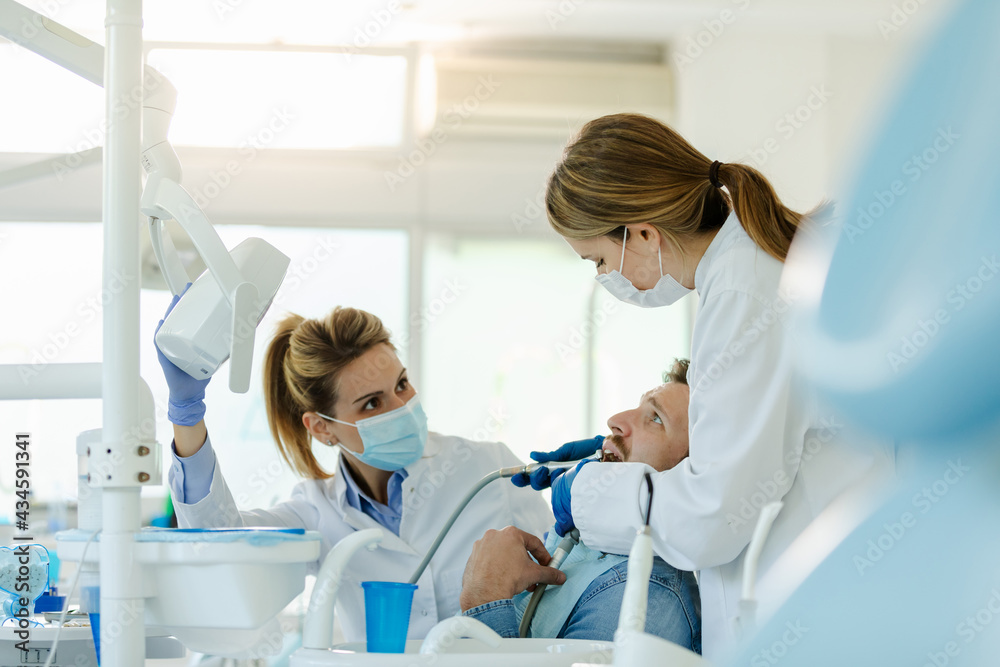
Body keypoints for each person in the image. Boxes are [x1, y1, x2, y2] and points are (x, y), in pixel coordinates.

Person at [523, 113, 895, 660]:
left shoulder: (745, 289)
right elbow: (748, 457)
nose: (603, 277)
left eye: (599, 259)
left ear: (643, 233)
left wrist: (586, 493)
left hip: (824, 620)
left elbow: (715, 516)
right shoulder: (748, 270)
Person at [156, 302, 553, 643]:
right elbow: (217, 543)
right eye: (371, 404)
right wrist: (186, 415)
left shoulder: (490, 470)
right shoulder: (316, 513)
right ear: (321, 428)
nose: (401, 407)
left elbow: (560, 586)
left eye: (401, 384)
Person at [462, 360, 700, 653]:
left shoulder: (644, 597)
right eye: (638, 407)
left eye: (656, 419)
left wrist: (486, 597)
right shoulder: (583, 548)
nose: (615, 420)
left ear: (687, 477)